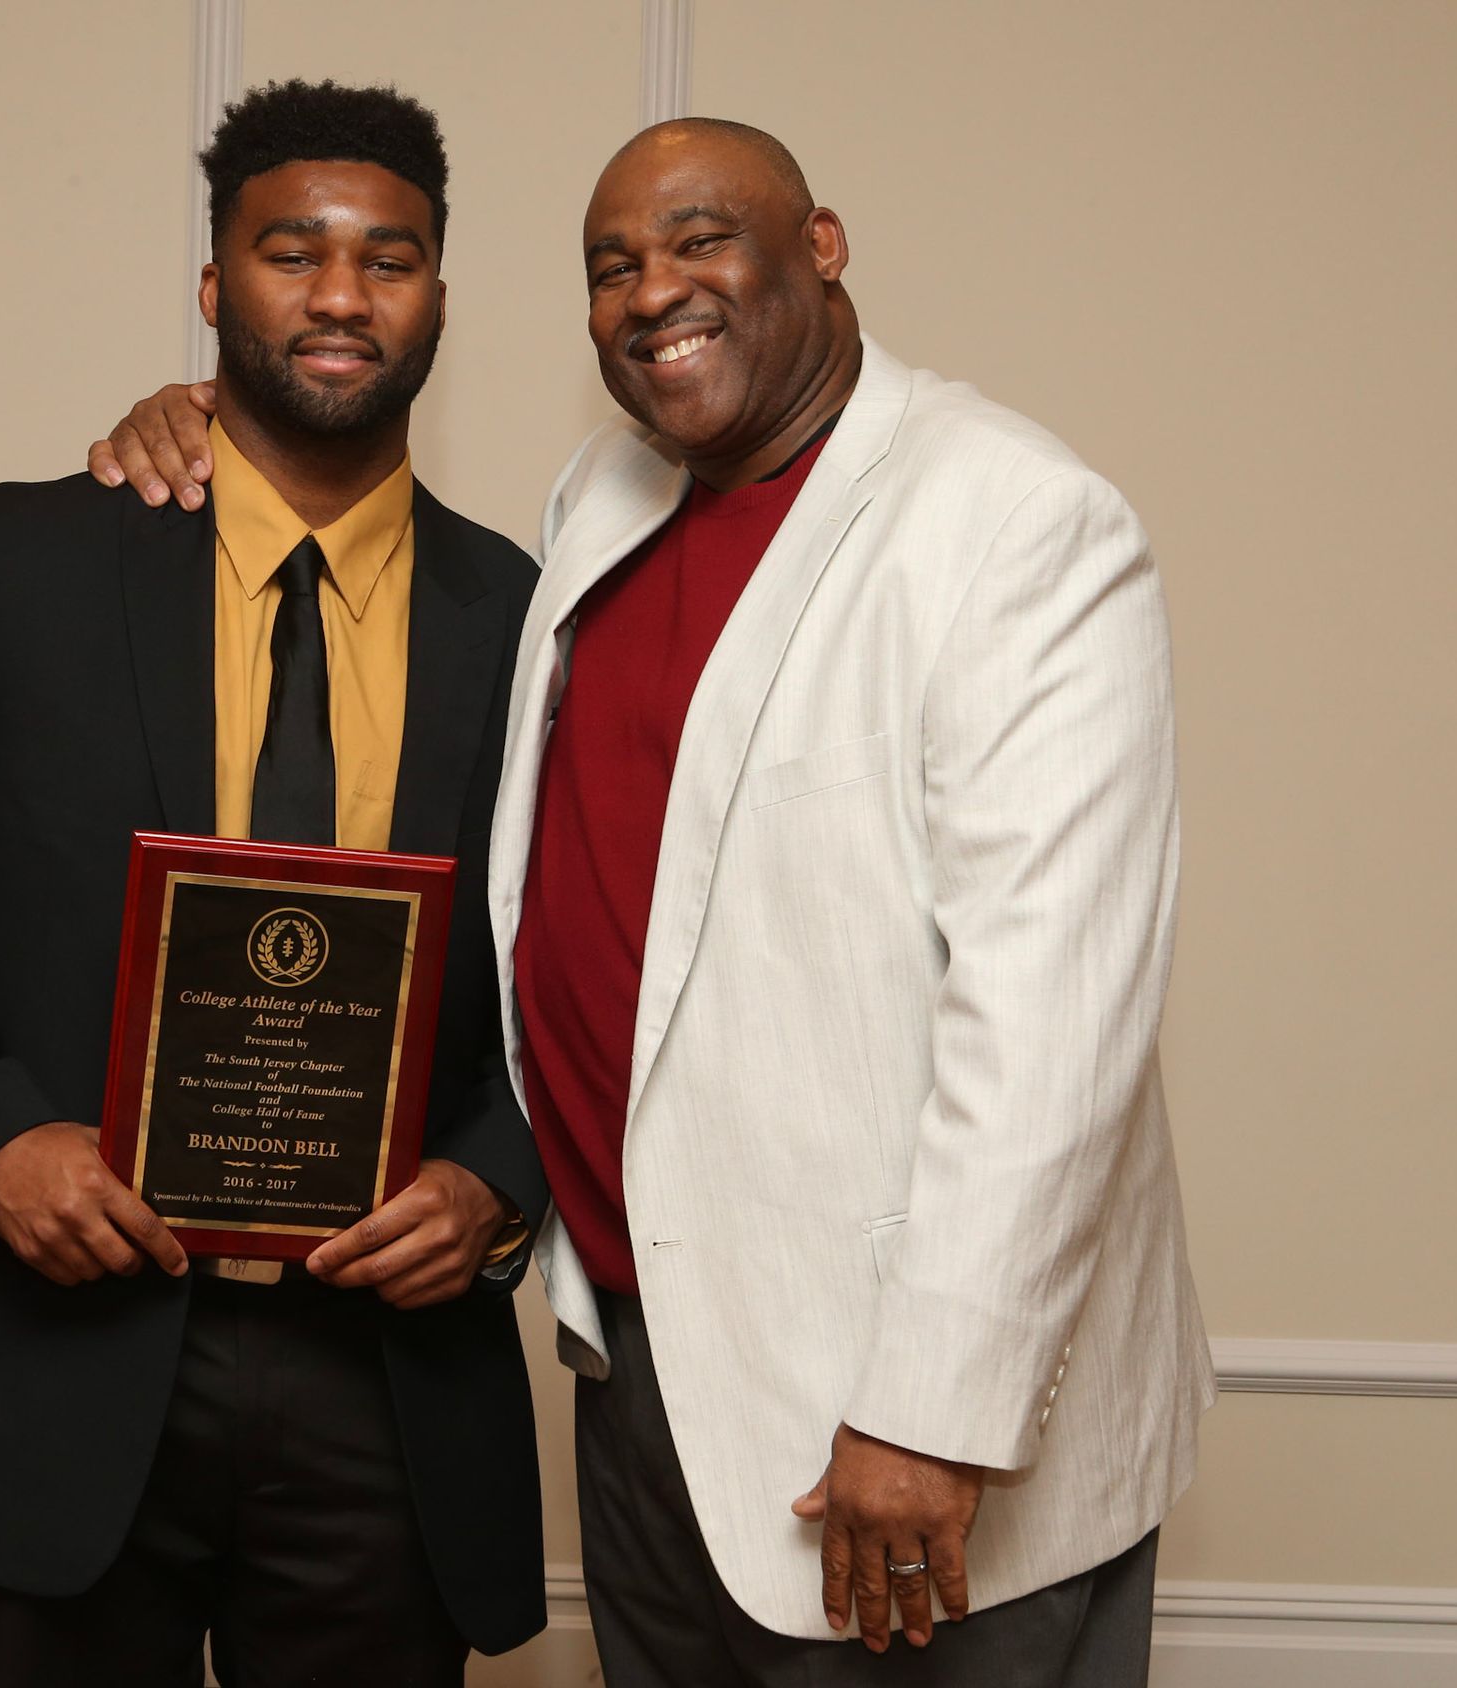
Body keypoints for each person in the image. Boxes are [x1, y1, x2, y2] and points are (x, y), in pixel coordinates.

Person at [90, 117, 1212, 1687]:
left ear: (822, 246)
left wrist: (931, 1411)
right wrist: (209, 419)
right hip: (641, 1366)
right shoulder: (607, 498)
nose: (651, 291)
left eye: (699, 241)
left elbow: (1055, 1027)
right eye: (611, 267)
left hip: (893, 1409)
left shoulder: (1013, 520)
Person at [0, 80, 549, 1687]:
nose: (341, 294)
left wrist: (497, 1183)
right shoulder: (25, 562)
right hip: (68, 1349)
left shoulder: (530, 619)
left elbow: (594, 971)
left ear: (438, 299)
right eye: (292, 251)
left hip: (390, 1382)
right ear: (214, 284)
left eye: (389, 259)